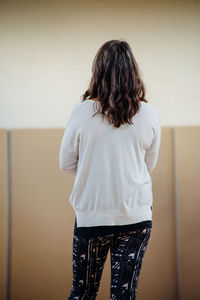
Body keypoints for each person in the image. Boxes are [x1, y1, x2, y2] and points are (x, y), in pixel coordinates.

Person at [59, 39, 161, 300]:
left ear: (98, 71)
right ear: (133, 72)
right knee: (124, 296)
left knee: (82, 293)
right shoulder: (150, 113)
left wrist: (95, 169)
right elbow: (148, 165)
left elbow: (66, 163)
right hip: (136, 218)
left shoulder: (81, 112)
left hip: (92, 218)